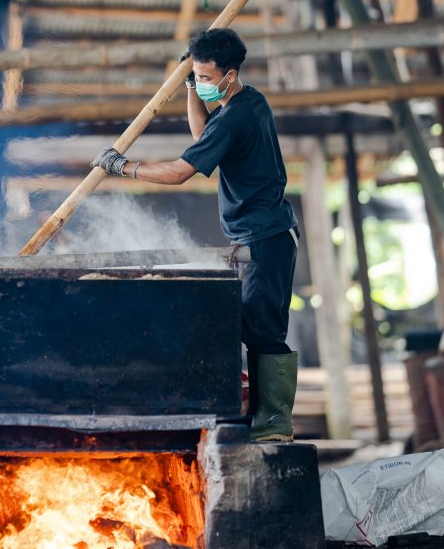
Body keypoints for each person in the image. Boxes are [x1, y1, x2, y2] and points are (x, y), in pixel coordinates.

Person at [92, 28, 300, 442]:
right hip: (260, 233)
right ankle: (255, 420)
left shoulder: (238, 115)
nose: (202, 84)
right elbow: (202, 135)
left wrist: (123, 167)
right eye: (196, 76)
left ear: (230, 74)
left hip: (264, 236)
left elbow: (180, 171)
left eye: (206, 78)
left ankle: (273, 429)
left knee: (263, 332)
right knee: (251, 326)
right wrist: (191, 86)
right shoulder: (247, 100)